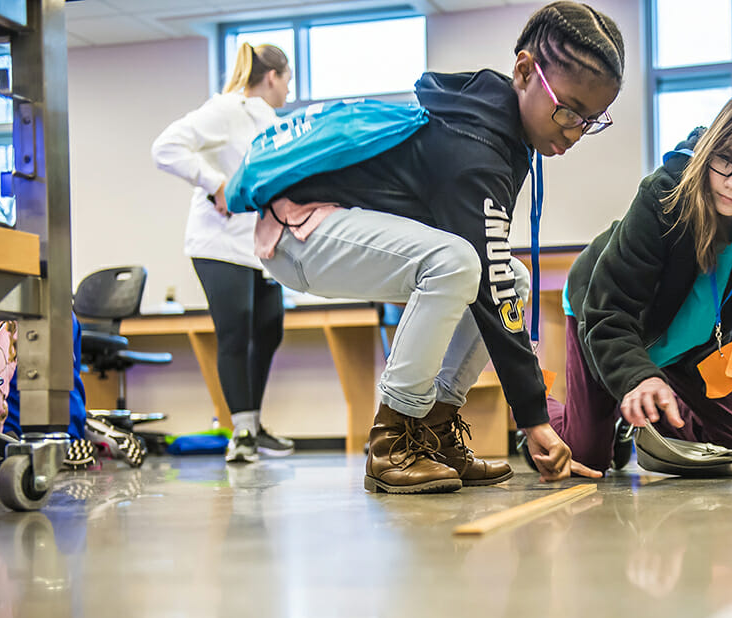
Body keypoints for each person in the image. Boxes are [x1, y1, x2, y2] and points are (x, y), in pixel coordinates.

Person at [255, 1, 624, 494]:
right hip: (298, 231)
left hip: (332, 228)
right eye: (568, 110)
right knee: (457, 264)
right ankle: (392, 442)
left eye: (592, 119)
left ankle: (433, 430)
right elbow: (484, 281)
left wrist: (530, 410)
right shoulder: (473, 147)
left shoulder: (499, 133)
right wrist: (535, 420)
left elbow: (498, 279)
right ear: (523, 71)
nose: (575, 131)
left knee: (512, 276)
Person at [546, 84, 732, 481]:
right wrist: (638, 377)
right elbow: (609, 309)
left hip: (692, 342)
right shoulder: (664, 195)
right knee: (586, 455)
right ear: (714, 145)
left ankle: (636, 415)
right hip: (603, 313)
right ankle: (533, 404)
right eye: (725, 161)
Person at [152, 42, 296, 464]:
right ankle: (243, 431)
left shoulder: (271, 120)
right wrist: (216, 184)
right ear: (272, 76)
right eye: (287, 80)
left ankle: (253, 423)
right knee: (237, 331)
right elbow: (166, 147)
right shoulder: (226, 109)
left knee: (270, 329)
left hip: (259, 243)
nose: (288, 89)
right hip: (218, 241)